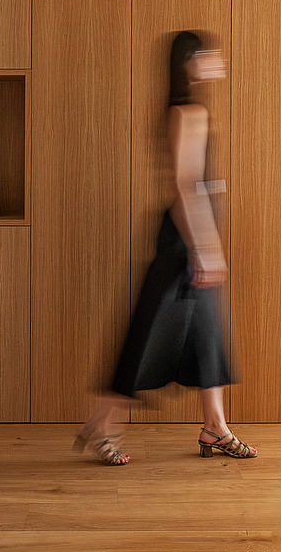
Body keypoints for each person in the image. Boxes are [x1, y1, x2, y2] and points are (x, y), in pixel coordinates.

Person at [74, 30, 257, 466]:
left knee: (207, 334)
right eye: (210, 54)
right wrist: (205, 249)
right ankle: (102, 424)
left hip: (190, 238)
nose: (218, 60)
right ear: (190, 61)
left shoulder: (187, 111)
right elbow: (185, 186)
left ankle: (216, 427)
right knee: (148, 334)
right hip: (184, 242)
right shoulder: (188, 113)